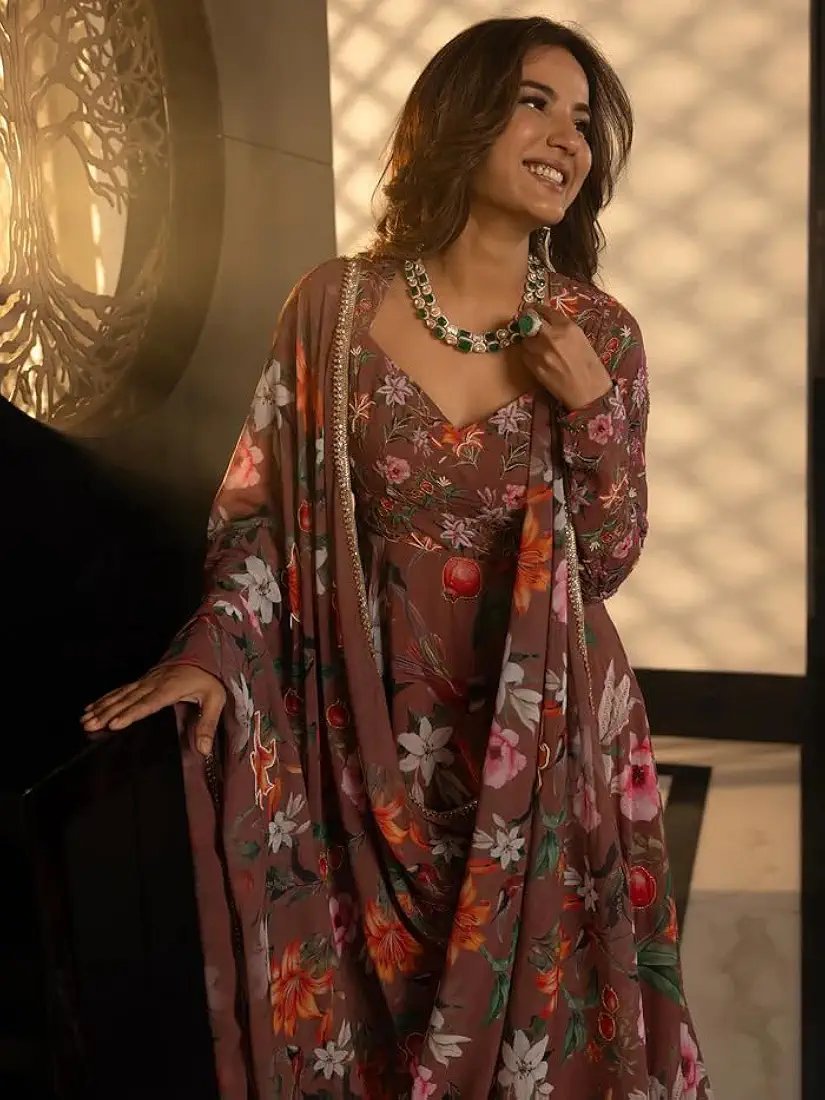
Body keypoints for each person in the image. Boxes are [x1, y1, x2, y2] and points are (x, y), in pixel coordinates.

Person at [83, 16, 712, 1100]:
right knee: (373, 1029)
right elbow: (258, 510)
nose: (567, 137)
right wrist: (211, 650)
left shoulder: (597, 335)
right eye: (534, 102)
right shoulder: (334, 310)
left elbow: (606, 561)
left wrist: (593, 412)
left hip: (542, 743)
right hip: (364, 734)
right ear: (458, 117)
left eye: (582, 120)